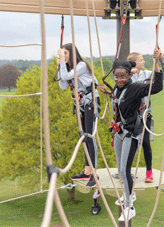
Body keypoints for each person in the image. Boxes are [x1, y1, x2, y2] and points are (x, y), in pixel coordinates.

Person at [100, 49, 163, 221]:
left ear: (129, 76)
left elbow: (157, 87)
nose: (120, 80)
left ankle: (129, 206)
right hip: (119, 131)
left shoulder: (135, 88)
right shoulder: (116, 88)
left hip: (130, 133)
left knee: (124, 169)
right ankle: (129, 195)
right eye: (117, 77)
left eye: (123, 77)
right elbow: (118, 99)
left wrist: (156, 63)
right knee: (121, 172)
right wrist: (108, 93)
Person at [57, 43, 101, 188]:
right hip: (81, 103)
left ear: (72, 53)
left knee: (89, 136)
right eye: (62, 54)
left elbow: (67, 76)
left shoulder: (81, 65)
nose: (64, 56)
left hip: (91, 101)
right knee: (84, 137)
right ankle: (87, 170)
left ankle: (94, 174)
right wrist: (60, 66)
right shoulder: (69, 69)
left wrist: (62, 64)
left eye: (66, 53)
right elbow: (63, 85)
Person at [126, 47, 164, 183]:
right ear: (133, 63)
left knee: (145, 144)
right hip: (131, 116)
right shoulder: (127, 77)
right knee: (130, 144)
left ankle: (149, 172)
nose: (143, 62)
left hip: (145, 115)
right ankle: (125, 172)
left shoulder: (146, 75)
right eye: (141, 60)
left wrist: (160, 59)